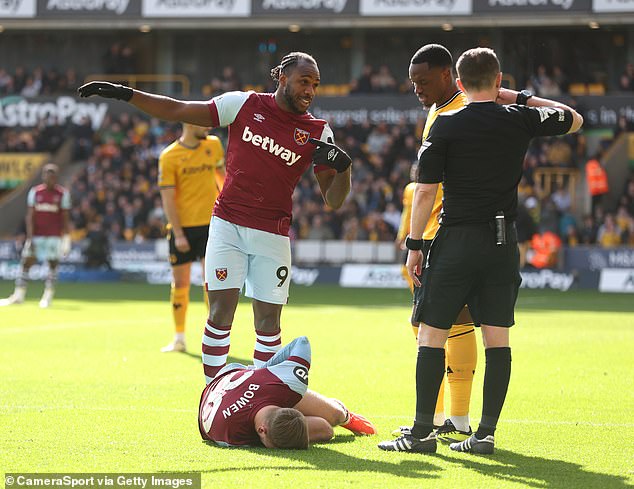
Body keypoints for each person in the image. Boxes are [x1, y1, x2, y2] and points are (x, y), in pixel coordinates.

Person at [78, 52, 352, 381]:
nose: (310, 90)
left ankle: (257, 399)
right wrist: (126, 93)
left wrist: (344, 168)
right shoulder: (243, 104)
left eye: (316, 84)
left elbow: (333, 201)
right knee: (220, 315)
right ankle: (212, 395)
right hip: (227, 226)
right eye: (304, 81)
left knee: (268, 325)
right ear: (282, 79)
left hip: (273, 234)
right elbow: (177, 108)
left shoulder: (318, 131)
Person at [379, 47, 583, 454]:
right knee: (498, 339)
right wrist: (519, 98)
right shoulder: (519, 117)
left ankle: (422, 434)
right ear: (499, 79)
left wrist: (415, 245)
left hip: (456, 239)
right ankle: (484, 434)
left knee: (431, 335)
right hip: (503, 242)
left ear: (457, 82)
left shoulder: (446, 124)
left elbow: (424, 192)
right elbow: (573, 118)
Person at [393, 44, 478, 444]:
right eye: (413, 83)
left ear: (447, 75)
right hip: (436, 236)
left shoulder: (460, 111)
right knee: (433, 327)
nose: (417, 90)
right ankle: (447, 417)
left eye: (423, 81)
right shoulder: (437, 110)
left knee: (443, 327)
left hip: (444, 236)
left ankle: (453, 418)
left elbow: (432, 186)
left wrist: (415, 243)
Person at [198, 336, 376, 448]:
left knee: (336, 415)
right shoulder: (232, 437)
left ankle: (348, 417)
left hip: (239, 376)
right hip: (222, 385)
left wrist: (264, 371)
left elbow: (302, 341)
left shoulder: (287, 385)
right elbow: (324, 430)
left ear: (288, 404)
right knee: (326, 431)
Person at [158, 123, 226, 353]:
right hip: (183, 229)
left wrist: (229, 205)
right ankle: (179, 338)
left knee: (212, 284)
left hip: (211, 225)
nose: (207, 126)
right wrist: (178, 233)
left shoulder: (213, 145)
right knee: (181, 284)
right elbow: (167, 198)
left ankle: (213, 339)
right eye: (202, 121)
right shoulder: (169, 156)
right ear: (189, 123)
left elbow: (222, 177)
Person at [0, 164, 71, 308]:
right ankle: (18, 295)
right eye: (47, 175)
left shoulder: (62, 194)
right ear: (43, 176)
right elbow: (30, 216)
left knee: (52, 265)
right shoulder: (35, 192)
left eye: (52, 176)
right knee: (26, 263)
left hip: (54, 236)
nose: (50, 179)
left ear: (56, 178)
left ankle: (47, 297)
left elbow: (65, 218)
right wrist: (30, 237)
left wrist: (66, 237)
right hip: (37, 235)